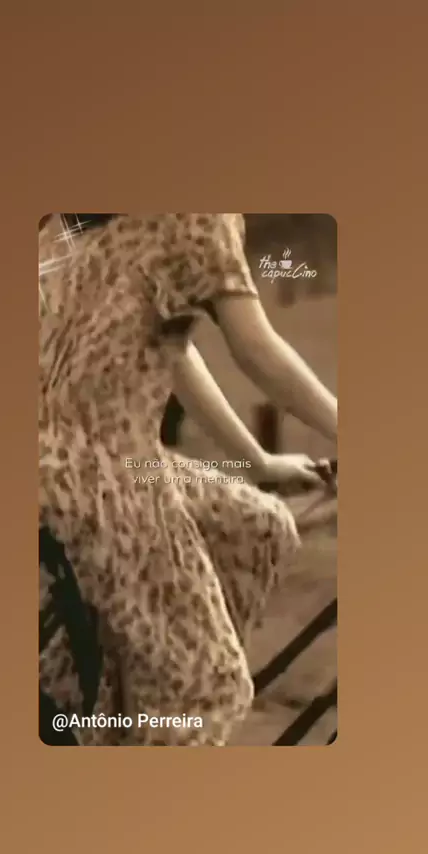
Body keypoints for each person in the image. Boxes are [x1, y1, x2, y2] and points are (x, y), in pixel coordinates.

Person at [39, 213, 337, 746]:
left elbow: (172, 348)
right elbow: (256, 349)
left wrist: (257, 462)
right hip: (107, 471)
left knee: (259, 525)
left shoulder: (71, 225)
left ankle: (142, 674)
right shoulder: (199, 212)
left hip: (69, 461)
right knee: (208, 693)